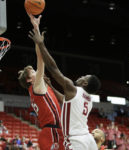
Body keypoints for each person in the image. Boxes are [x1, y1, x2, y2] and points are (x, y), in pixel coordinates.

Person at [28, 14, 101, 150]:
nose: (81, 76)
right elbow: (65, 101)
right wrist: (50, 86)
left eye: (84, 77)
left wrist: (40, 43)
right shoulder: (88, 99)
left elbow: (53, 67)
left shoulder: (72, 88)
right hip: (88, 139)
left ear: (85, 83)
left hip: (76, 140)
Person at [18, 28, 64, 149]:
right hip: (51, 132)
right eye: (33, 71)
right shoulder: (36, 86)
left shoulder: (39, 87)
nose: (36, 71)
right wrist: (38, 41)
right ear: (29, 80)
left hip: (52, 131)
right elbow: (40, 59)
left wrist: (37, 34)